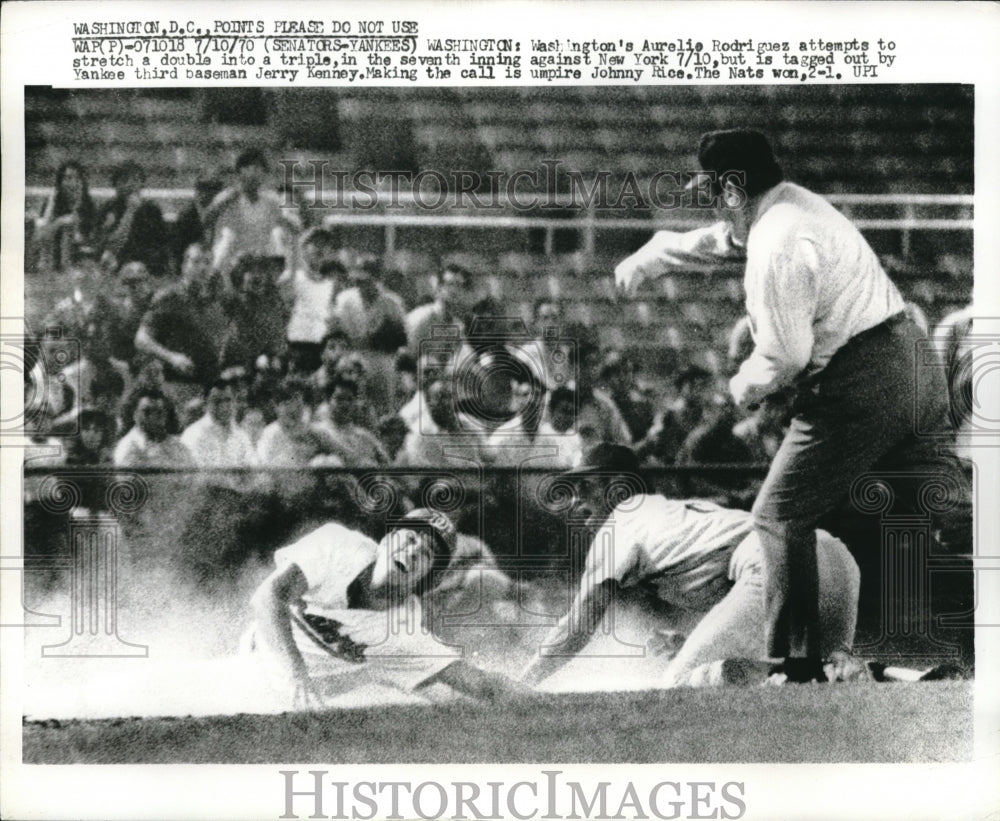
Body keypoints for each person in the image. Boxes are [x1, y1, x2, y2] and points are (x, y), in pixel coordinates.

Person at [615, 129, 952, 682]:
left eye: (711, 192)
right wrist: (662, 250)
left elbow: (784, 357)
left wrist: (735, 391)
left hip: (861, 379)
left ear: (730, 190)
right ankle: (925, 664)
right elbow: (725, 239)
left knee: (777, 519)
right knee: (930, 515)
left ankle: (796, 667)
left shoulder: (777, 244)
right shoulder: (791, 204)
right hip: (912, 364)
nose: (710, 205)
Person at [521, 444, 860, 689]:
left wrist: (523, 684)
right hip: (833, 555)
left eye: (584, 487)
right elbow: (739, 594)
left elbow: (579, 625)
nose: (575, 500)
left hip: (772, 561)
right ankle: (839, 668)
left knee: (678, 685)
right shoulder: (669, 513)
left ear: (616, 487)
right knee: (830, 677)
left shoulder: (621, 521)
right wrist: (694, 644)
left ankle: (801, 673)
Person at [248, 508, 526, 708]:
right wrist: (297, 674)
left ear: (425, 579)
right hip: (253, 661)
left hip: (306, 696)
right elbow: (267, 597)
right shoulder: (338, 545)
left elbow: (480, 683)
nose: (414, 550)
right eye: (411, 538)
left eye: (427, 553)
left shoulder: (405, 628)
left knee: (450, 698)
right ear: (386, 541)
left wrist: (552, 700)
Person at [134, 242, 226, 409]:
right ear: (184, 266)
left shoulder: (214, 301)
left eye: (207, 262)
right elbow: (141, 339)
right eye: (196, 262)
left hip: (210, 387)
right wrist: (171, 357)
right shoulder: (169, 297)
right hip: (178, 385)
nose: (202, 268)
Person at [204, 148, 301, 277]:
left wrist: (287, 221)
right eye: (252, 168)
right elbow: (206, 220)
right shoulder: (227, 197)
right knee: (227, 239)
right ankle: (215, 278)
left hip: (260, 260)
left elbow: (295, 226)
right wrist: (222, 204)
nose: (256, 173)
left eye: (260, 169)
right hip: (229, 260)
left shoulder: (271, 200)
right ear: (240, 172)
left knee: (278, 237)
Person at [278, 227, 342, 374]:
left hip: (321, 349)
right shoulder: (293, 276)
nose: (321, 249)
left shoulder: (330, 283)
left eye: (325, 245)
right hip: (295, 347)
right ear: (304, 249)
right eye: (316, 244)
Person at [96, 160, 169, 277]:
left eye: (135, 180)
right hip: (116, 266)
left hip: (145, 268)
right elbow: (109, 246)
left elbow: (161, 246)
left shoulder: (152, 210)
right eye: (124, 180)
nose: (130, 185)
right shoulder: (107, 209)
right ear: (115, 184)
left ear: (142, 183)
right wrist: (130, 211)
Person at [33, 160, 97, 273]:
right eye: (68, 178)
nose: (73, 183)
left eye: (77, 178)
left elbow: (92, 240)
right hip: (51, 261)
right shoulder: (51, 202)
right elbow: (38, 238)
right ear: (60, 182)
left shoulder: (89, 206)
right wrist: (59, 222)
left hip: (78, 262)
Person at [113, 388, 193, 467]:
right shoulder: (129, 447)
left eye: (159, 412)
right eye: (146, 412)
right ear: (134, 414)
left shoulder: (177, 446)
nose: (153, 417)